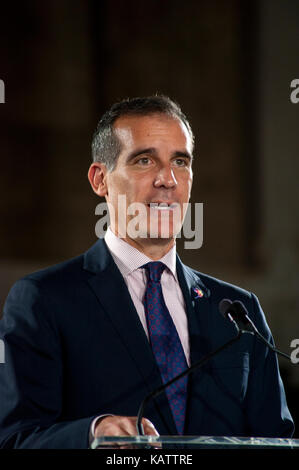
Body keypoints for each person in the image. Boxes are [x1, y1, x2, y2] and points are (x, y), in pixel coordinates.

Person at [0, 95, 294, 449]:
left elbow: (276, 442)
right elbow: (16, 439)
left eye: (180, 161)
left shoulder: (237, 309)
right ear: (100, 179)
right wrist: (92, 433)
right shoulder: (43, 300)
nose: (167, 180)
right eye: (144, 160)